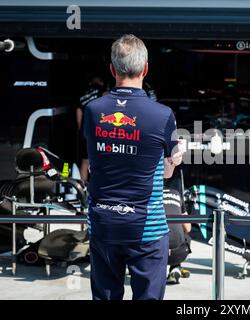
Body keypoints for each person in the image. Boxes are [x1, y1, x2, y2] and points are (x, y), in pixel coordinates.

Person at [83, 34, 183, 300]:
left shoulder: (93, 111)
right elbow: (167, 172)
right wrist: (174, 159)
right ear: (146, 68)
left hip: (102, 222)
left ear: (112, 69)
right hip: (146, 228)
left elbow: (94, 162)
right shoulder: (163, 116)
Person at [77, 75, 107, 182]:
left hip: (85, 132)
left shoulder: (83, 95)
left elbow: (79, 116)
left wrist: (81, 130)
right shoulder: (103, 93)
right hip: (99, 132)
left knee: (85, 161)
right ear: (101, 82)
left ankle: (82, 188)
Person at [163, 188, 192, 284]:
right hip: (178, 253)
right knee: (185, 236)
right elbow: (188, 228)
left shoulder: (152, 193)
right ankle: (175, 268)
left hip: (156, 251)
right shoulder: (177, 194)